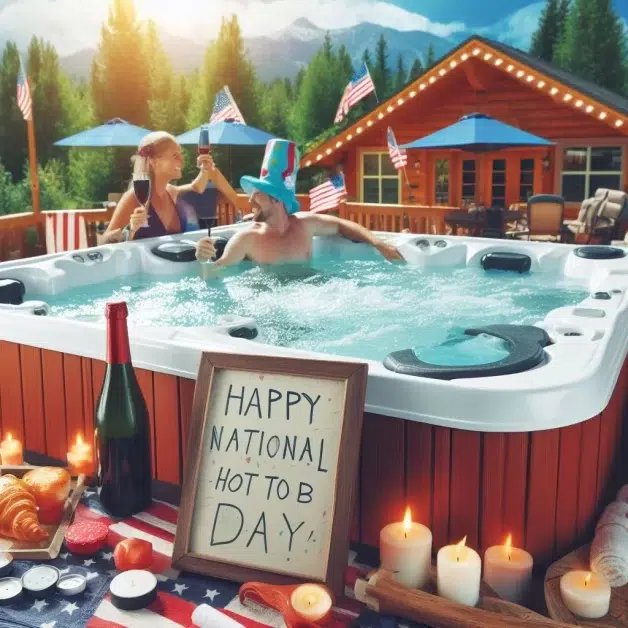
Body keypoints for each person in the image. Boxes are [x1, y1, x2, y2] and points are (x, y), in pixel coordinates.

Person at [195, 139, 402, 270]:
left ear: (276, 198)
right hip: (271, 311)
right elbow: (214, 274)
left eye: (257, 195)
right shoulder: (247, 239)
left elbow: (341, 225)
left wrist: (379, 244)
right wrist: (203, 258)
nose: (250, 201)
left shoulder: (305, 225)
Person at [101, 131, 217, 243]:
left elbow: (197, 187)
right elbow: (104, 242)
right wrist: (129, 231)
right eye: (175, 155)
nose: (181, 160)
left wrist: (205, 168)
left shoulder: (171, 192)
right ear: (154, 161)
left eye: (181, 155)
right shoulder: (134, 197)